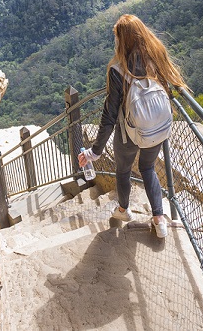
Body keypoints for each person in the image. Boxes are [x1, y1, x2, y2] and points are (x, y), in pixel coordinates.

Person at [78, 14, 186, 238]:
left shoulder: (118, 71)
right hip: (157, 129)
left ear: (121, 40)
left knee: (123, 170)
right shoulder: (157, 59)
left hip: (128, 135)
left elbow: (109, 115)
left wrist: (95, 152)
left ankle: (123, 210)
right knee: (148, 168)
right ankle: (159, 219)